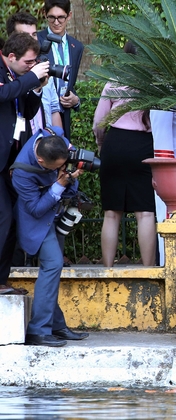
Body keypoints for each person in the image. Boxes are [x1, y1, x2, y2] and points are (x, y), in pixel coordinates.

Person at [12, 130, 89, 346]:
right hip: (36, 223)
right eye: (54, 168)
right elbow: (35, 209)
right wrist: (59, 185)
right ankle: (38, 330)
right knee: (53, 264)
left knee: (53, 272)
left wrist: (68, 178)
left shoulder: (54, 139)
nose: (59, 170)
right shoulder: (21, 173)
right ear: (40, 160)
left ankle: (56, 325)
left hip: (55, 215)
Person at [93, 43, 156, 267]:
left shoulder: (115, 82)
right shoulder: (156, 85)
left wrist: (102, 146)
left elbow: (98, 123)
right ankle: (149, 270)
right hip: (143, 145)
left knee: (111, 213)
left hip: (115, 143)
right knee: (146, 213)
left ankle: (108, 269)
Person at [0, 33, 49, 295]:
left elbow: (27, 112)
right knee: (4, 217)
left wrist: (37, 86)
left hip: (11, 162)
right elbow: (3, 94)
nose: (32, 67)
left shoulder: (20, 77)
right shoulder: (3, 73)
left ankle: (2, 280)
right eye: (28, 62)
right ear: (11, 57)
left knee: (12, 222)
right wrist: (30, 78)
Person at [7, 12, 63, 133]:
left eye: (34, 35)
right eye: (25, 36)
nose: (31, 40)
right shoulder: (8, 72)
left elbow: (53, 109)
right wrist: (31, 77)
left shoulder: (41, 66)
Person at [37, 0, 84, 139]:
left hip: (64, 112)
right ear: (45, 15)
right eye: (52, 17)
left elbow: (71, 83)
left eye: (61, 17)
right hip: (42, 111)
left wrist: (75, 100)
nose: (56, 22)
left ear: (69, 16)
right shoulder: (36, 40)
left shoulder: (77, 46)